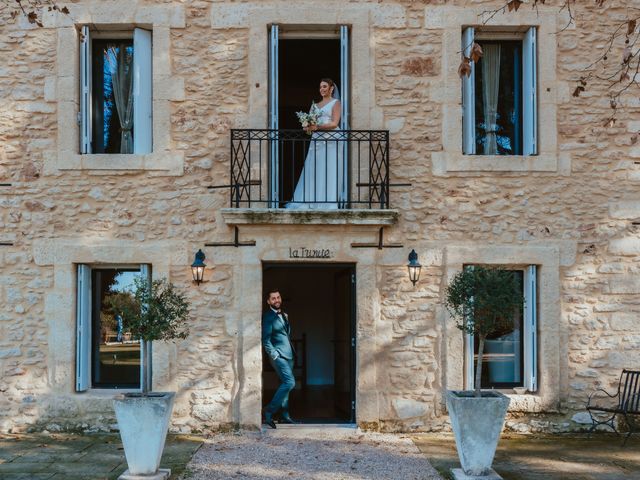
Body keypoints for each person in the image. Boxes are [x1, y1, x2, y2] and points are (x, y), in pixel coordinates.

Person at [287, 78, 344, 209]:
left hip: (332, 139)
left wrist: (317, 126)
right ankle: (311, 200)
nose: (322, 89)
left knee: (330, 168)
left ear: (331, 88)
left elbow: (335, 123)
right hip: (317, 139)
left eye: (324, 86)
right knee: (314, 168)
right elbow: (308, 125)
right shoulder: (314, 105)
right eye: (320, 87)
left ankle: (329, 202)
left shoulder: (336, 103)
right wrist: (306, 126)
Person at [261, 288, 296, 428]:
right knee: (290, 382)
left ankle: (284, 416)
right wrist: (274, 354)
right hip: (279, 355)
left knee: (285, 385)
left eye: (278, 297)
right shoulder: (268, 316)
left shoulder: (284, 315)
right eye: (273, 298)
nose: (277, 300)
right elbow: (265, 339)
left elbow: (286, 335)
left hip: (289, 355)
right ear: (268, 301)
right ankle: (268, 411)